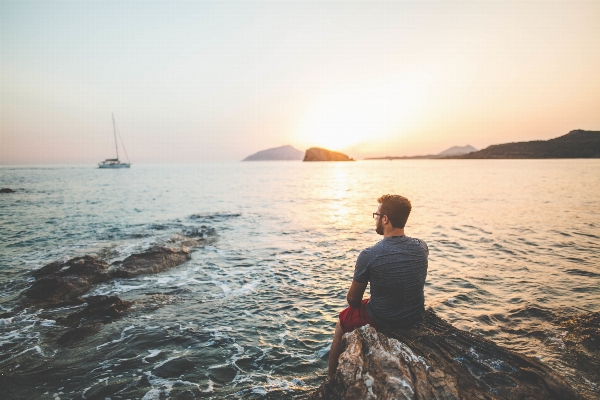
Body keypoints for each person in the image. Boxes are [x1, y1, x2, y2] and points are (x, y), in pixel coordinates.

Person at [327, 194, 429, 378]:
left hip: (384, 318)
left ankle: (330, 380)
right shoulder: (422, 247)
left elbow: (353, 300)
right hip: (415, 316)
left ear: (385, 219)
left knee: (341, 323)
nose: (375, 219)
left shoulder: (369, 254)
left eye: (377, 215)